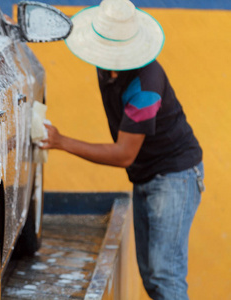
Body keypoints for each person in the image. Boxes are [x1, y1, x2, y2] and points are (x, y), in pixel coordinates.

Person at [40, 0, 204, 299]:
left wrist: (61, 142)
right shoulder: (106, 67)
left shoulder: (146, 87)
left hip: (174, 177)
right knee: (153, 277)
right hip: (146, 174)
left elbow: (124, 154)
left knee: (165, 275)